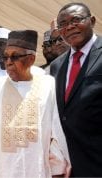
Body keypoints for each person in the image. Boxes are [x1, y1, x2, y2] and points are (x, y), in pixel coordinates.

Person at [0, 30, 71, 178]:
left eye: (15, 57)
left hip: (38, 170)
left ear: (31, 59)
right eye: (6, 57)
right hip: (3, 171)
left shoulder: (48, 84)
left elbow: (55, 131)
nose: (8, 62)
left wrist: (57, 170)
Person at [50, 2, 102, 176]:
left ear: (92, 21)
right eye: (63, 24)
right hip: (69, 165)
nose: (70, 27)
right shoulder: (57, 65)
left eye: (76, 20)